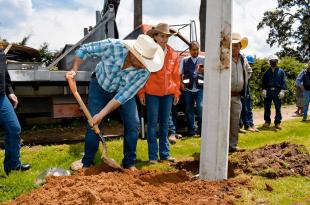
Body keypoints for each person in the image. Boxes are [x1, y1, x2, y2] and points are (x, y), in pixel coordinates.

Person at [66, 34, 164, 171]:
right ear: (133, 53)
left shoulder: (144, 72)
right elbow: (85, 49)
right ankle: (87, 162)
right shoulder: (113, 46)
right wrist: (74, 70)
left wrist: (102, 114)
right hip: (99, 85)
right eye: (142, 61)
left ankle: (129, 163)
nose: (144, 66)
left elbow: (123, 96)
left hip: (121, 93)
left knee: (133, 124)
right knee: (93, 123)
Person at [138, 23, 180, 164]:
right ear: (155, 36)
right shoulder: (149, 52)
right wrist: (142, 92)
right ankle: (152, 156)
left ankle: (165, 154)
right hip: (152, 93)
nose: (164, 39)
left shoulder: (174, 53)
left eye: (167, 36)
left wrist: (176, 92)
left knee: (164, 124)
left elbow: (175, 76)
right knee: (152, 124)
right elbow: (143, 73)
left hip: (168, 94)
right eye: (161, 36)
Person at [0, 43, 31, 175]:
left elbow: (4, 73)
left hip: (1, 96)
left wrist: (10, 91)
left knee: (14, 128)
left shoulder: (0, 50)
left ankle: (13, 166)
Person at [229, 33, 252, 153]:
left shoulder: (243, 60)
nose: (234, 48)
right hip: (225, 96)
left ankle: (233, 145)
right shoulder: (225, 58)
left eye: (236, 46)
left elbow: (249, 71)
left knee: (235, 122)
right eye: (232, 45)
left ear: (240, 47)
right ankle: (222, 146)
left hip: (237, 96)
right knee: (223, 122)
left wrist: (244, 82)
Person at [180, 41, 204, 136]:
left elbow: (211, 73)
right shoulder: (184, 60)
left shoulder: (204, 59)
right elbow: (179, 73)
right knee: (189, 109)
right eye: (193, 50)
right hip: (188, 89)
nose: (196, 51)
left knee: (200, 106)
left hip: (200, 88)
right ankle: (191, 130)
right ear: (189, 50)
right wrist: (181, 83)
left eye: (197, 49)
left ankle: (201, 129)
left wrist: (204, 70)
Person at [262, 55, 286, 129]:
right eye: (272, 61)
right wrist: (264, 90)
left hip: (277, 91)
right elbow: (263, 82)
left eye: (275, 61)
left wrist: (282, 90)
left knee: (278, 107)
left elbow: (283, 82)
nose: (273, 62)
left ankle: (277, 123)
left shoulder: (281, 72)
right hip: (268, 91)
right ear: (269, 62)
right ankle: (267, 121)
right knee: (267, 107)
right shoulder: (266, 72)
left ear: (277, 61)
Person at [239, 55, 259, 132]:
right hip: (242, 88)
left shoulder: (248, 70)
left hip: (247, 88)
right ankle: (246, 125)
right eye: (250, 64)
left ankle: (251, 124)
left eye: (251, 64)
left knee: (249, 107)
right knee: (244, 108)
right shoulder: (242, 65)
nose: (251, 65)